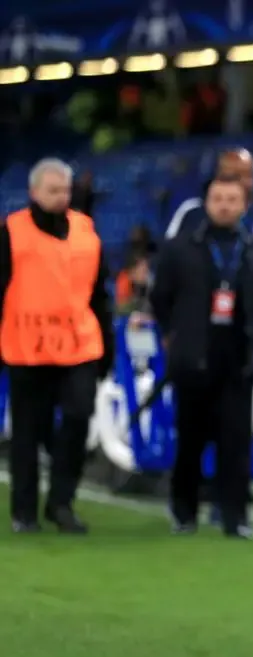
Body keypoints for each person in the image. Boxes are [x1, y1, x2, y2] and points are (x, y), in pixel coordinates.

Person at [150, 175, 253, 539]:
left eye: (232, 199)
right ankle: (184, 511)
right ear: (206, 203)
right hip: (194, 354)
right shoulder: (180, 247)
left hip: (238, 356)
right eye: (218, 198)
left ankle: (234, 516)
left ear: (245, 204)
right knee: (190, 438)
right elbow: (160, 296)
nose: (225, 205)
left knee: (235, 440)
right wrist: (172, 333)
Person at [0, 158, 113, 534]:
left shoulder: (86, 231)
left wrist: (106, 347)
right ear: (33, 193)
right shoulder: (11, 232)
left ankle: (61, 502)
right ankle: (25, 511)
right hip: (27, 347)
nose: (60, 197)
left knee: (79, 419)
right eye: (52, 190)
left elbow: (99, 293)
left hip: (79, 345)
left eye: (65, 190)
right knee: (28, 434)